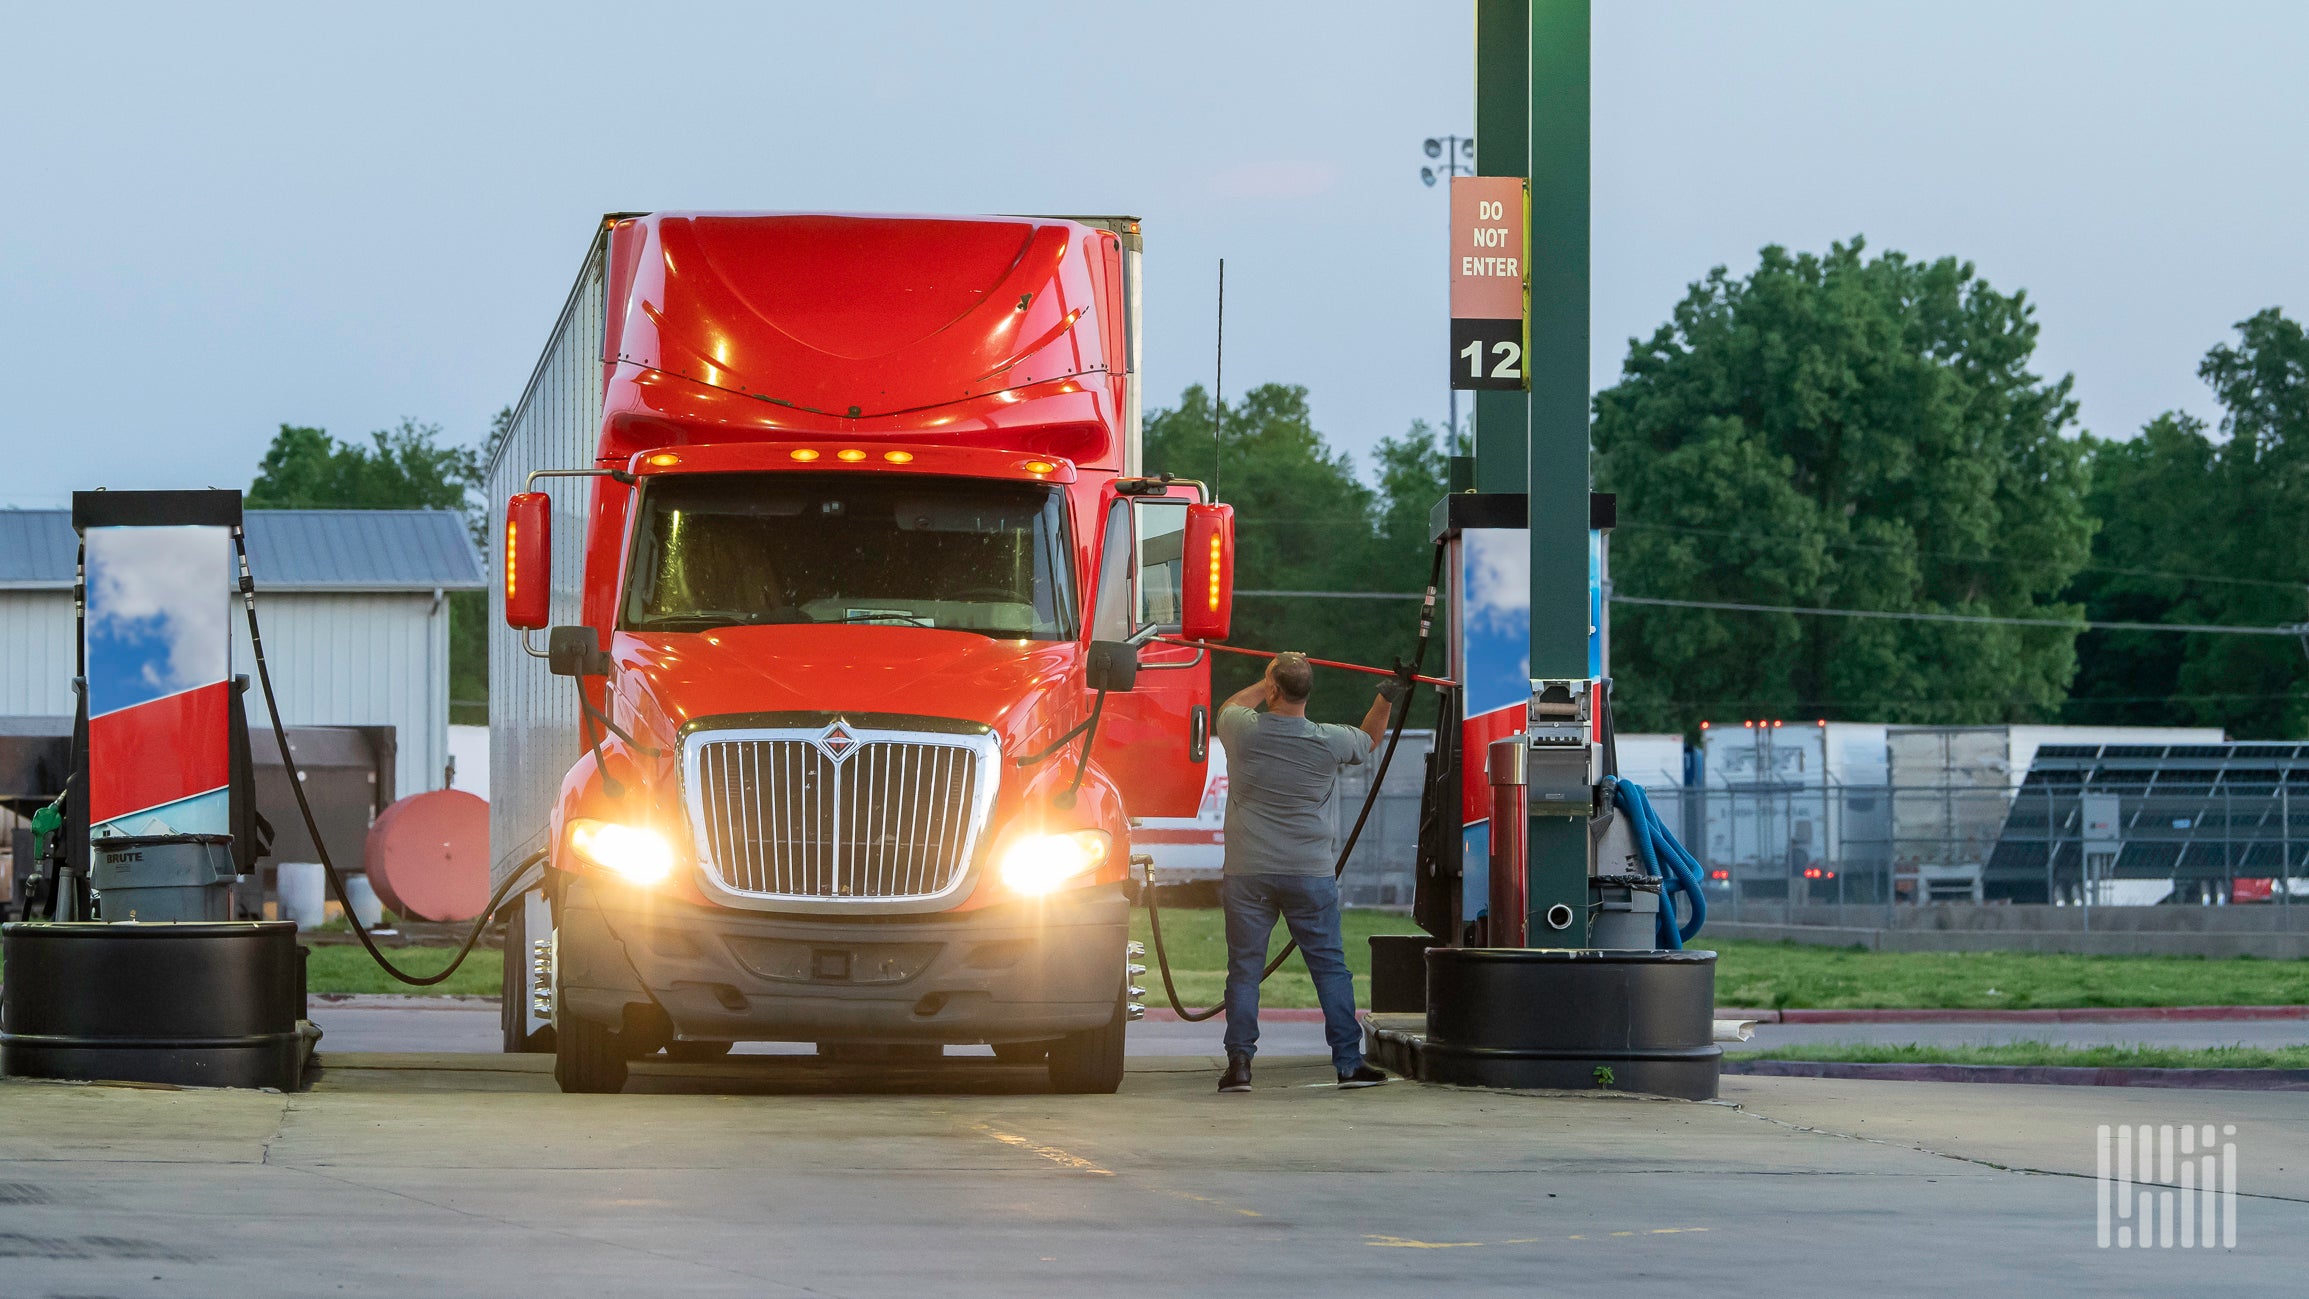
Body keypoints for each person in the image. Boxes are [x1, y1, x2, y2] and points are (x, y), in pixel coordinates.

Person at [1212, 652, 1408, 1093]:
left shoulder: (1243, 730)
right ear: (1308, 692)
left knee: (1244, 970)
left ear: (1274, 691)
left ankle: (1240, 1064)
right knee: (1330, 970)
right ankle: (1347, 1064)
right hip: (1309, 873)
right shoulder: (1328, 740)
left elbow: (1229, 705)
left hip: (1248, 872)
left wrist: (1268, 679)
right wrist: (1386, 696)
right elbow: (1370, 738)